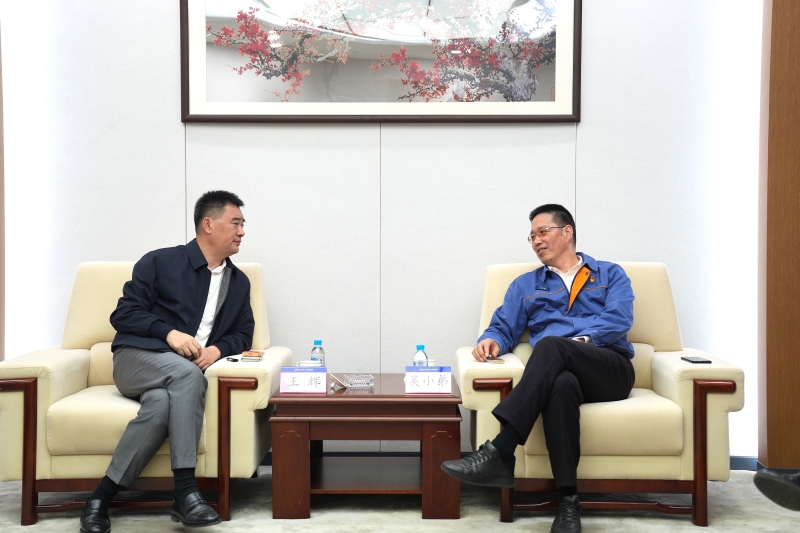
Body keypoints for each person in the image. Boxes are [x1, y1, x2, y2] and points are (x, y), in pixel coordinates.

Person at [441, 204, 636, 533]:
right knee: (560, 385)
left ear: (567, 232)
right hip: (563, 373)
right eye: (531, 237)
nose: (536, 241)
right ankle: (568, 503)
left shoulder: (609, 274)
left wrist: (579, 343)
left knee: (551, 345)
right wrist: (491, 341)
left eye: (542, 232)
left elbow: (619, 319)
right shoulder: (525, 285)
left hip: (609, 368)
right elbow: (504, 326)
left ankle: (501, 450)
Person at [80, 190, 254, 533]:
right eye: (235, 223)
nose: (242, 232)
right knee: (188, 375)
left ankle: (99, 498)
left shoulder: (238, 283)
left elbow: (243, 334)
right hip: (135, 360)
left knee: (161, 404)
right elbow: (124, 314)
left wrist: (216, 350)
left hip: (176, 375)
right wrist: (169, 333)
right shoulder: (159, 262)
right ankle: (186, 492)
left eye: (242, 224)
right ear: (208, 224)